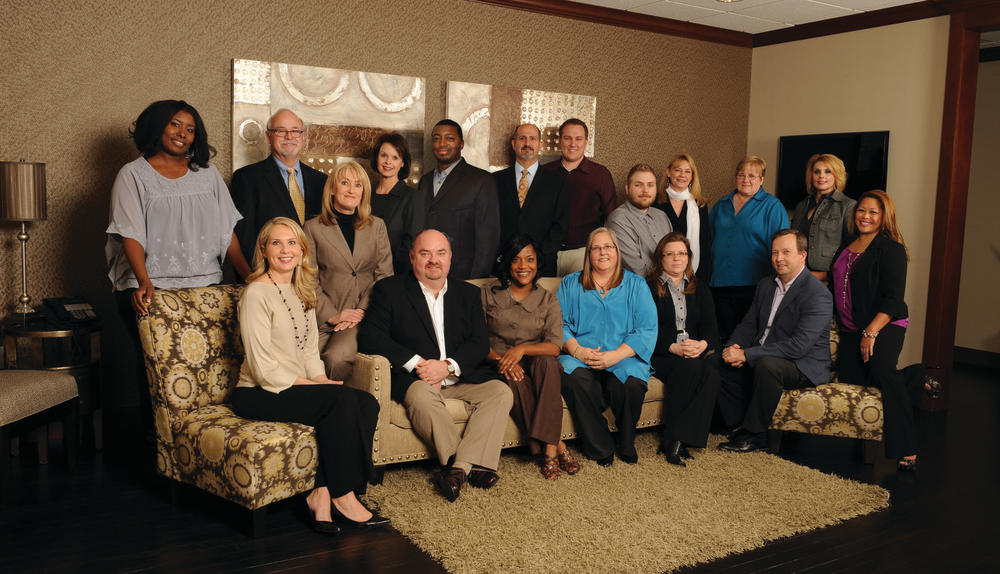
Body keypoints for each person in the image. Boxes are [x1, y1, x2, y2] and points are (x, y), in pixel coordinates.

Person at [232, 217, 388, 534]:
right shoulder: (255, 294)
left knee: (366, 402)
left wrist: (320, 380)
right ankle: (344, 497)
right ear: (264, 250)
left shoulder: (301, 291)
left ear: (303, 251)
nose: (285, 249)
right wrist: (316, 387)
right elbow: (263, 368)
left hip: (293, 387)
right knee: (341, 399)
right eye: (276, 242)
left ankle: (322, 493)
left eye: (293, 243)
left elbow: (308, 352)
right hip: (259, 392)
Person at [106, 99, 251, 432]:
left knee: (206, 369)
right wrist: (144, 281)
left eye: (190, 129)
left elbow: (226, 232)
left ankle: (201, 445)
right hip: (150, 289)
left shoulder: (208, 175)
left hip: (203, 288)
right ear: (156, 126)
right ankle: (158, 448)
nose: (183, 134)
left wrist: (250, 277)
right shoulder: (132, 175)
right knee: (159, 372)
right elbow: (129, 233)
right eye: (175, 124)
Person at [359, 230, 513, 502]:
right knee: (421, 395)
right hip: (417, 382)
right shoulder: (390, 290)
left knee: (501, 392)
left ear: (450, 258)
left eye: (441, 253)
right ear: (412, 257)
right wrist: (418, 363)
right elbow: (371, 338)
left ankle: (457, 469)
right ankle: (469, 466)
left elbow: (479, 343)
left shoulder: (468, 293)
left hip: (458, 380)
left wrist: (448, 366)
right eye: (425, 253)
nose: (434, 260)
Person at [830, 189, 938, 471]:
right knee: (855, 378)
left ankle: (907, 448)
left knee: (882, 369)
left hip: (885, 322)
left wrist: (871, 332)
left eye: (873, 212)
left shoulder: (891, 249)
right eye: (861, 210)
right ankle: (914, 376)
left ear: (883, 217)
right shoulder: (846, 245)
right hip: (852, 327)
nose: (865, 216)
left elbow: (893, 298)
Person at [715, 229, 833, 453]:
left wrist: (748, 355)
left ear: (802, 256)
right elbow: (749, 325)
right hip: (766, 356)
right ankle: (739, 425)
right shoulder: (766, 285)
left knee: (767, 365)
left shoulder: (818, 294)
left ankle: (757, 436)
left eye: (786, 252)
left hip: (804, 364)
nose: (779, 258)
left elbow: (799, 346)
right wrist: (734, 347)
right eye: (775, 252)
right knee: (716, 361)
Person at [481, 233, 580, 480]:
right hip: (498, 363)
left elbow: (555, 346)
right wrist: (501, 360)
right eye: (516, 260)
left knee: (549, 365)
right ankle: (556, 447)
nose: (523, 266)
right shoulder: (487, 293)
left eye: (530, 259)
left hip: (535, 364)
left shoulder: (548, 299)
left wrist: (522, 350)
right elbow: (475, 339)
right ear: (507, 263)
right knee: (514, 380)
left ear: (538, 263)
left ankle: (547, 449)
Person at [557, 227, 657, 467]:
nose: (603, 252)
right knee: (575, 380)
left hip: (622, 355)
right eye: (596, 248)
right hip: (580, 355)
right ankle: (600, 445)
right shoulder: (570, 284)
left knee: (631, 384)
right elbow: (557, 324)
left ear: (617, 251)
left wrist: (615, 356)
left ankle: (626, 442)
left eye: (608, 247)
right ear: (588, 254)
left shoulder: (637, 285)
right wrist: (578, 351)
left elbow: (646, 329)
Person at [303, 161, 392, 380]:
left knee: (336, 358)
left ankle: (341, 409)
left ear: (364, 193)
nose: (352, 190)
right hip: (324, 315)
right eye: (345, 183)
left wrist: (361, 311)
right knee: (301, 361)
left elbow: (384, 277)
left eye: (358, 185)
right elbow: (307, 279)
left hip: (365, 314)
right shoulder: (312, 228)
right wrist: (332, 315)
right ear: (332, 189)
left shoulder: (377, 226)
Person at [646, 232, 720, 466]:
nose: (677, 258)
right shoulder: (647, 287)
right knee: (693, 367)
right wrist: (672, 347)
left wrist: (702, 345)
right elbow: (644, 329)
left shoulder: (701, 287)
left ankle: (676, 438)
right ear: (661, 258)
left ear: (688, 258)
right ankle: (676, 440)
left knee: (711, 373)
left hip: (692, 352)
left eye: (682, 253)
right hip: (660, 353)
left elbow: (710, 327)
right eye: (670, 254)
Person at [231, 109, 328, 270]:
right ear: (268, 137)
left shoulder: (321, 181)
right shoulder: (247, 178)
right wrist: (255, 280)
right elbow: (244, 239)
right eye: (281, 131)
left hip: (314, 278)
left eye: (295, 131)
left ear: (303, 137)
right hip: (270, 277)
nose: (289, 137)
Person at [709, 156, 789, 344]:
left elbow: (782, 247)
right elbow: (709, 242)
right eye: (741, 175)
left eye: (752, 175)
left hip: (755, 284)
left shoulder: (772, 206)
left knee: (751, 336)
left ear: (761, 179)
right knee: (727, 337)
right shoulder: (721, 205)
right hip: (720, 283)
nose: (746, 179)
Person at [418, 120, 500, 279]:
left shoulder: (482, 180)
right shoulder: (424, 181)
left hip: (463, 276)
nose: (442, 143)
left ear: (461, 144)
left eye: (449, 138)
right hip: (426, 274)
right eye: (437, 138)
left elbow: (488, 239)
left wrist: (476, 281)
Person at [493, 124, 571, 277]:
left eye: (532, 138)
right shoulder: (494, 180)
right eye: (522, 138)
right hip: (504, 265)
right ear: (514, 144)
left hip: (543, 266)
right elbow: (489, 225)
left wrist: (536, 257)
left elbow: (560, 228)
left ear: (540, 145)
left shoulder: (558, 183)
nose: (527, 143)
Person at [542, 118, 616, 276]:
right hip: (547, 253)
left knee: (579, 300)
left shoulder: (600, 175)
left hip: (583, 253)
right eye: (567, 138)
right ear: (559, 140)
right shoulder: (545, 172)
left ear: (586, 142)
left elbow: (611, 218)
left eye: (578, 139)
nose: (572, 144)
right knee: (546, 299)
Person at [789, 154, 856, 281]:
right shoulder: (802, 205)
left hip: (828, 279)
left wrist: (827, 275)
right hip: (797, 276)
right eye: (817, 171)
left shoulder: (848, 205)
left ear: (837, 175)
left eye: (828, 171)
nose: (821, 176)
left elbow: (852, 248)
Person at [652, 154, 712, 285]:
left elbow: (704, 243)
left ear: (692, 176)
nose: (682, 175)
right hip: (661, 274)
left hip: (694, 274)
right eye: (678, 170)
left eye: (687, 171)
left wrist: (703, 278)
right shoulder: (654, 202)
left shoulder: (700, 205)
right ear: (668, 172)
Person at [369, 132, 425, 274]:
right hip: (362, 275)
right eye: (383, 155)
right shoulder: (364, 194)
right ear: (376, 158)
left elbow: (412, 245)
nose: (388, 162)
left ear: (403, 162)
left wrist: (382, 267)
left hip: (396, 276)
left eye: (395, 157)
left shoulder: (413, 198)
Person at [606, 163, 673, 276]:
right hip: (641, 289)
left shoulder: (662, 216)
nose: (645, 190)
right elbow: (636, 270)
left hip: (670, 286)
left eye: (650, 185)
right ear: (627, 189)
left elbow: (674, 255)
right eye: (638, 185)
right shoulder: (617, 220)